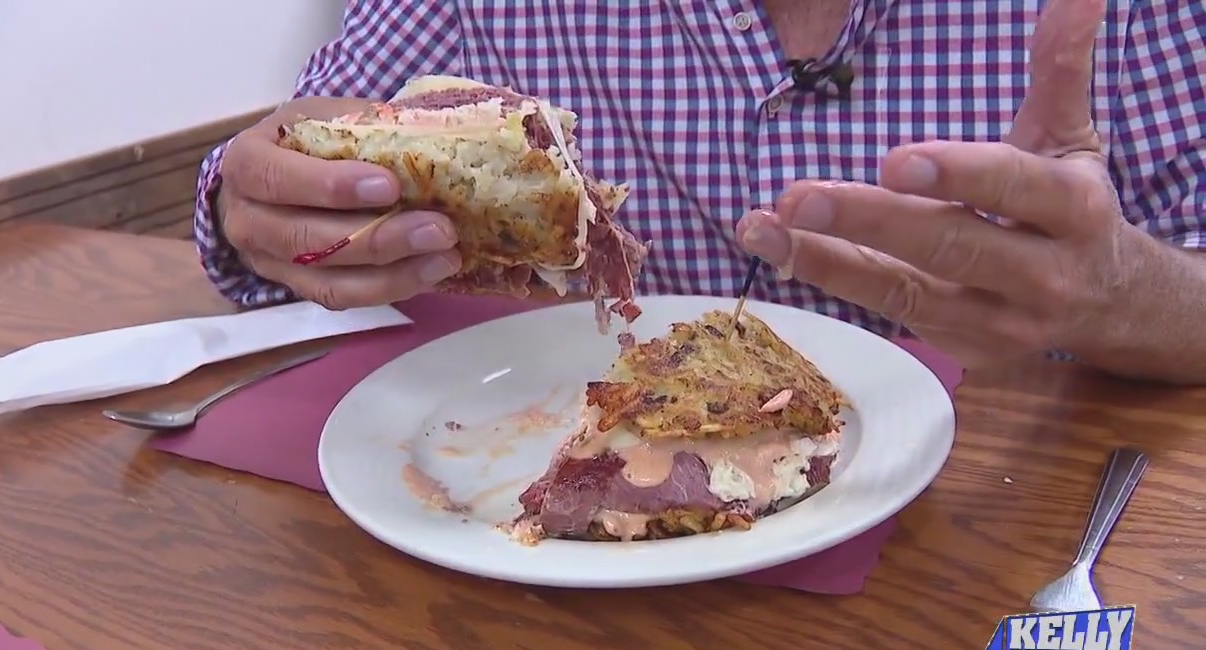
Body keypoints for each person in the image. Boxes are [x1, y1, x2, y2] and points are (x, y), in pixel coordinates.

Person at [194, 0, 1205, 383]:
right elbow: (293, 161)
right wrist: (260, 209)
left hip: (1022, 565)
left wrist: (1124, 292)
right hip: (564, 570)